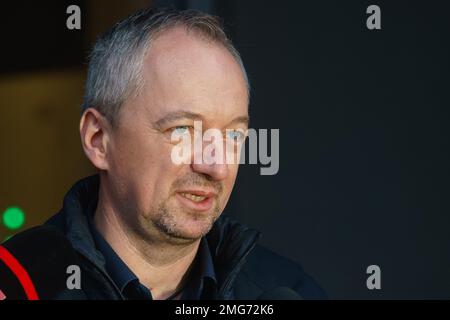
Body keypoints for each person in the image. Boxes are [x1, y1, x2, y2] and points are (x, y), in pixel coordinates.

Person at [7, 7, 326, 300]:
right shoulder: (20, 285)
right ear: (98, 138)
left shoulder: (283, 289)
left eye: (232, 135)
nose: (215, 166)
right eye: (183, 130)